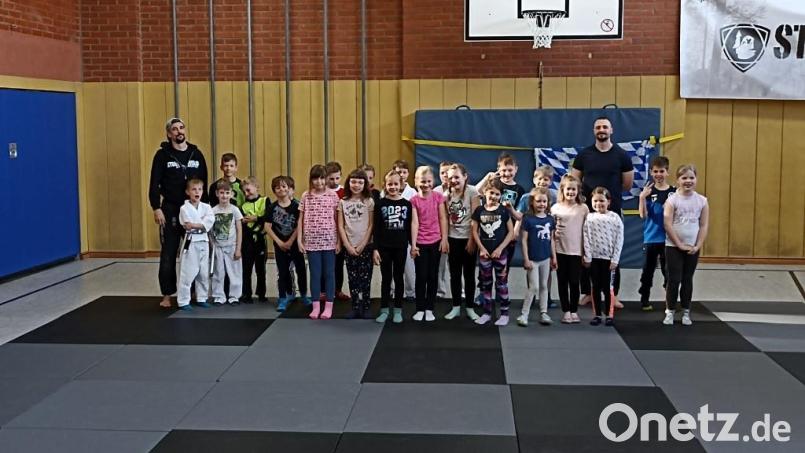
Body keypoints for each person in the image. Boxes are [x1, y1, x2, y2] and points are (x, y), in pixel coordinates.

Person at [571, 116, 633, 307]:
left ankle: (613, 294)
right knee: (587, 252)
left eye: (605, 126)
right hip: (588, 213)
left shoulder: (622, 155)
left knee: (613, 252)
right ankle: (587, 292)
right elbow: (574, 181)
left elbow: (627, 184)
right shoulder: (584, 155)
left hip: (612, 212)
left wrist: (606, 201)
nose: (602, 129)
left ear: (611, 130)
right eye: (598, 127)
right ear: (594, 131)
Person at [148, 117, 208, 308]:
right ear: (169, 134)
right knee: (169, 252)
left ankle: (193, 292)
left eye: (181, 128)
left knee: (193, 253)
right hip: (171, 209)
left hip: (193, 210)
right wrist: (156, 207)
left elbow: (204, 183)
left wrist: (204, 211)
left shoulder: (196, 154)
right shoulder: (162, 156)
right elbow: (154, 183)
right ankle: (167, 294)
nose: (179, 131)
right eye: (174, 129)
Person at [663, 164, 709, 326]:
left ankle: (686, 311)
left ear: (696, 179)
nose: (688, 181)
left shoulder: (702, 201)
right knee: (674, 279)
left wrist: (698, 245)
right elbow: (668, 224)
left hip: (692, 246)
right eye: (684, 178)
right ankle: (670, 311)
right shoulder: (672, 200)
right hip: (673, 246)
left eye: (691, 177)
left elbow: (703, 225)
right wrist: (679, 244)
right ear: (677, 180)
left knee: (687, 279)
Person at [298, 165, 341, 320]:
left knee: (329, 273)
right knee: (315, 274)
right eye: (315, 178)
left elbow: (338, 220)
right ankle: (316, 305)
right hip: (312, 242)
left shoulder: (333, 196)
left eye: (322, 178)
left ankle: (329, 305)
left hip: (329, 241)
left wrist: (339, 241)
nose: (319, 182)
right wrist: (300, 239)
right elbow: (301, 219)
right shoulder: (306, 196)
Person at [471, 178, 515, 326]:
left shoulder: (503, 211)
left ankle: (504, 313)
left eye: (497, 194)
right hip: (485, 254)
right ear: (485, 193)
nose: (494, 196)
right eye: (491, 193)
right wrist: (482, 249)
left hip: (500, 254)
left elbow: (510, 232)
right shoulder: (479, 210)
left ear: (501, 195)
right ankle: (487, 313)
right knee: (486, 284)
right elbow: (475, 231)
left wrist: (500, 248)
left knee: (502, 284)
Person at [516, 165, 558, 309]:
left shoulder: (554, 195)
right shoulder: (526, 197)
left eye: (546, 179)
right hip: (531, 232)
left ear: (550, 181)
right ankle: (532, 294)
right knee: (532, 267)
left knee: (547, 267)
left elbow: (557, 215)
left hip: (546, 234)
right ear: (534, 180)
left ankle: (547, 297)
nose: (542, 182)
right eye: (540, 179)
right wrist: (516, 230)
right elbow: (519, 216)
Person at [373, 170, 412, 324]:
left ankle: (398, 309)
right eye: (390, 184)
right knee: (386, 279)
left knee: (399, 278)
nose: (393, 187)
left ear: (401, 185)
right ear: (385, 185)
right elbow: (376, 228)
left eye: (396, 184)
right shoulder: (380, 204)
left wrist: (413, 245)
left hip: (401, 246)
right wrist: (375, 248)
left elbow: (409, 226)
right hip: (384, 247)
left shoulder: (406, 204)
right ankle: (384, 309)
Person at [410, 166, 448, 322]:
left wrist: (444, 239)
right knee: (421, 276)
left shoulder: (438, 197)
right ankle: (420, 308)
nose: (425, 184)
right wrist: (413, 245)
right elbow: (414, 223)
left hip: (435, 241)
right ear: (416, 181)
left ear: (433, 182)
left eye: (428, 181)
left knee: (433, 276)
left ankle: (429, 308)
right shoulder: (413, 201)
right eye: (422, 181)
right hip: (420, 242)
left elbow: (443, 218)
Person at [266, 175, 309, 312]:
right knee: (283, 272)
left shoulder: (296, 206)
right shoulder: (272, 207)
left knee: (301, 270)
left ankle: (303, 294)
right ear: (274, 190)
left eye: (284, 186)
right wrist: (279, 242)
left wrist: (291, 241)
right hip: (279, 246)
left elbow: (299, 225)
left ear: (289, 189)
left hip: (295, 244)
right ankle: (283, 297)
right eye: (278, 187)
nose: (281, 189)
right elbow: (267, 226)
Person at [638, 155, 675, 311]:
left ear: (667, 172)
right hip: (651, 238)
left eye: (661, 171)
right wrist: (641, 198)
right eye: (655, 171)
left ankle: (670, 301)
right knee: (648, 271)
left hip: (668, 239)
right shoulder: (648, 191)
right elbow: (643, 215)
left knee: (669, 272)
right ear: (651, 173)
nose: (658, 174)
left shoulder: (674, 192)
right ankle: (644, 299)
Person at [444, 163, 481, 321]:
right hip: (453, 239)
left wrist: (472, 240)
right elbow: (445, 218)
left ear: (465, 177)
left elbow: (475, 218)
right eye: (451, 177)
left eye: (457, 177)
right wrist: (445, 239)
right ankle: (456, 306)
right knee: (454, 274)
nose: (454, 180)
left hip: (468, 238)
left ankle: (470, 307)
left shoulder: (472, 192)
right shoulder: (447, 195)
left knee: (469, 274)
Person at [583, 187, 624, 326]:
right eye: (595, 201)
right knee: (595, 287)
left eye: (602, 200)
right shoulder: (589, 217)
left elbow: (619, 239)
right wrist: (588, 257)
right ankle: (597, 315)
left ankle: (609, 315)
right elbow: (586, 237)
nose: (598, 203)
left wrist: (615, 259)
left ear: (608, 202)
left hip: (609, 260)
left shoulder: (614, 218)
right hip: (594, 259)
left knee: (608, 288)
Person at [551, 175, 588, 324]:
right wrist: (552, 254)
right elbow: (551, 232)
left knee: (574, 281)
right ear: (562, 190)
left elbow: (587, 231)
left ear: (578, 191)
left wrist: (586, 252)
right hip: (560, 251)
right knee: (562, 281)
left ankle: (574, 310)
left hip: (576, 251)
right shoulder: (555, 208)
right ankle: (566, 311)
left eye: (574, 189)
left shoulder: (583, 208)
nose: (571, 192)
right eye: (568, 189)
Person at [338, 169, 375, 319]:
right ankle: (355, 306)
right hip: (349, 245)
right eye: (353, 181)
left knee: (366, 277)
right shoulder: (343, 202)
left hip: (365, 245)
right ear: (348, 183)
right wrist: (347, 245)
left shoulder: (369, 201)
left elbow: (371, 225)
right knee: (352, 278)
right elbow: (340, 225)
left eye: (360, 182)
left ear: (365, 184)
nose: (357, 185)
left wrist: (363, 244)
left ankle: (365, 306)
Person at [177, 179, 215, 310]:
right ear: (188, 192)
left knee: (203, 273)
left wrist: (197, 225)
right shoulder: (184, 208)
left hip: (204, 241)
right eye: (194, 189)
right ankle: (183, 301)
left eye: (199, 189)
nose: (197, 192)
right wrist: (201, 225)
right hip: (191, 242)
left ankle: (202, 297)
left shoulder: (207, 207)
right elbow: (187, 225)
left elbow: (209, 223)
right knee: (188, 272)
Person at [210, 181, 243, 305]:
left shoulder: (234, 210)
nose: (224, 196)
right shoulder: (212, 211)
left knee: (235, 272)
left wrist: (238, 248)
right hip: (218, 246)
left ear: (231, 194)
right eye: (222, 193)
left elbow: (239, 229)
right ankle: (219, 296)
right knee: (218, 272)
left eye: (227, 193)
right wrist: (211, 246)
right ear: (217, 194)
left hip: (232, 246)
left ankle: (234, 296)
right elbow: (210, 230)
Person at [240, 177, 269, 303]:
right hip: (247, 241)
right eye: (244, 192)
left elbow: (268, 218)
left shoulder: (265, 200)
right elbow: (242, 225)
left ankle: (261, 293)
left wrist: (256, 218)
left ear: (256, 187)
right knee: (246, 269)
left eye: (248, 190)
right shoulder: (243, 206)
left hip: (260, 239)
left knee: (260, 269)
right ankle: (247, 294)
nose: (246, 194)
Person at [325, 161, 350, 303]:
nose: (334, 181)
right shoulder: (321, 191)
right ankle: (324, 291)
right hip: (325, 232)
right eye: (331, 178)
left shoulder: (344, 192)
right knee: (325, 265)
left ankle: (338, 290)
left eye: (337, 178)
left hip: (341, 233)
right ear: (326, 177)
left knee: (339, 264)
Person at [433, 160, 454, 300]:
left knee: (457, 266)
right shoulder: (435, 191)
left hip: (458, 233)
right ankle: (440, 291)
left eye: (448, 172)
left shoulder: (461, 189)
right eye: (442, 173)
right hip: (440, 233)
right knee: (440, 264)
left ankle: (462, 292)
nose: (445, 175)